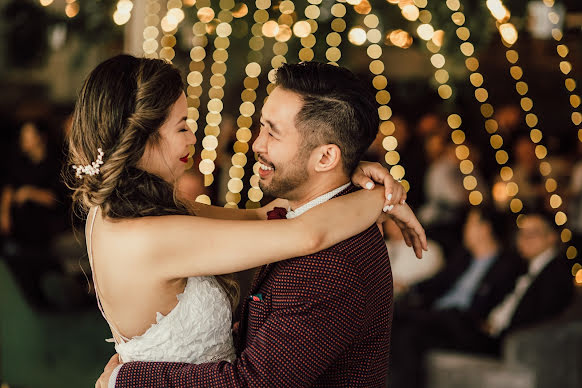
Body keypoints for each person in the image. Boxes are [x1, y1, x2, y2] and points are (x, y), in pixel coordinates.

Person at [62, 56, 425, 387]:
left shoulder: (113, 213)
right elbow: (303, 232)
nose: (255, 143)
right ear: (140, 140)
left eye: (272, 131)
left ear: (326, 155)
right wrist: (381, 196)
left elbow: (269, 218)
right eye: (182, 126)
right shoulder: (153, 231)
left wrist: (126, 379)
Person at [390, 210, 573, 388]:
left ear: (552, 237)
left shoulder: (551, 273)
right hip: (474, 326)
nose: (524, 239)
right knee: (405, 330)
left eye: (533, 233)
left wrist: (497, 327)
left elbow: (544, 316)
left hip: (493, 335)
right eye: (522, 233)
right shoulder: (526, 268)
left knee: (423, 324)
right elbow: (437, 283)